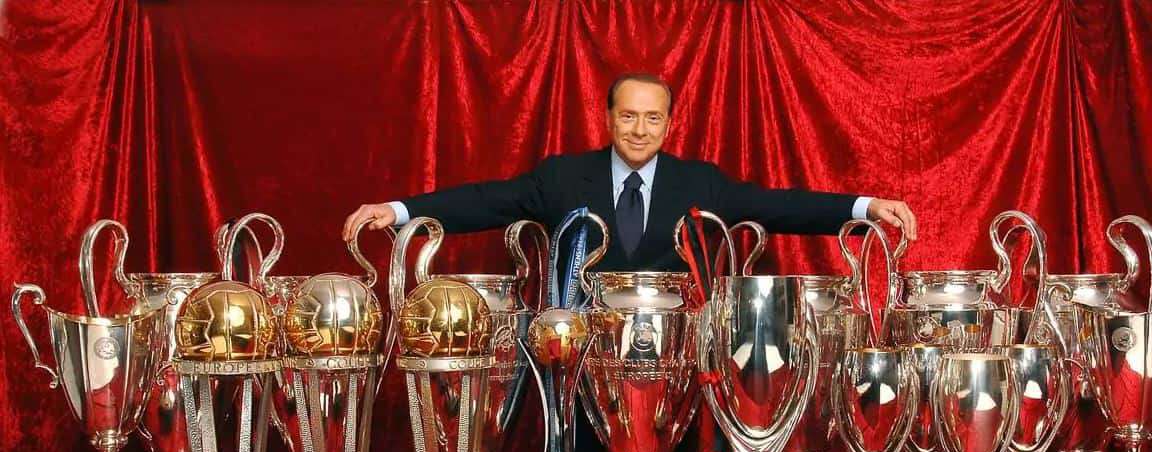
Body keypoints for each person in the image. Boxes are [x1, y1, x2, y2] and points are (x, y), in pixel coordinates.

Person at [342, 73, 917, 272]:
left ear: (669, 123)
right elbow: (485, 200)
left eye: (653, 117)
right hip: (582, 373)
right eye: (628, 116)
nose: (640, 130)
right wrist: (400, 211)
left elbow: (779, 206)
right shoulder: (563, 177)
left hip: (673, 375)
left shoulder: (700, 182)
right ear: (608, 118)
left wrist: (863, 207)